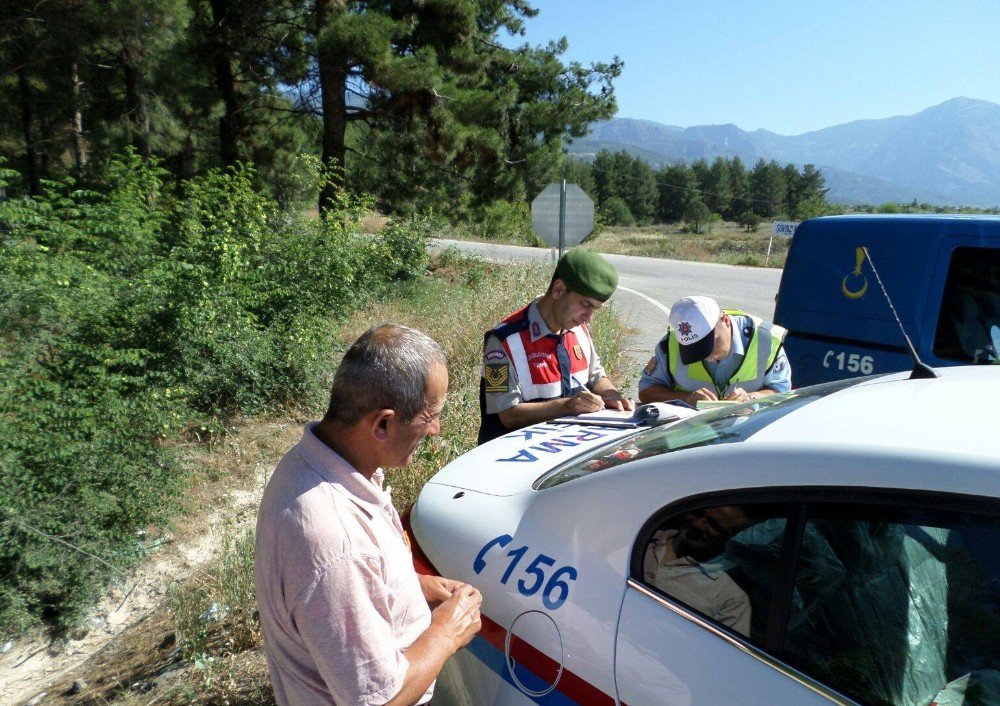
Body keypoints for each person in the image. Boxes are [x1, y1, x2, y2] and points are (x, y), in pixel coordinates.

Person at [254, 324, 481, 706]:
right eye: (430, 415)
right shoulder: (338, 540)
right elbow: (380, 700)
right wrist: (448, 631)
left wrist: (413, 587)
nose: (437, 430)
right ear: (382, 424)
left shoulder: (313, 463)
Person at [478, 249, 634, 445]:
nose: (589, 317)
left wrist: (611, 394)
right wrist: (567, 406)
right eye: (586, 305)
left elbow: (596, 376)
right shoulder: (501, 341)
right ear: (558, 289)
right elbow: (507, 414)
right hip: (511, 460)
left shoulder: (579, 330)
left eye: (595, 309)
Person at [638, 295, 791, 406]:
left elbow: (782, 394)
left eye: (711, 344)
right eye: (695, 350)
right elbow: (646, 391)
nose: (708, 358)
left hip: (747, 437)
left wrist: (752, 398)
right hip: (688, 437)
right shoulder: (670, 344)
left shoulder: (767, 341)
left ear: (725, 320)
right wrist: (686, 398)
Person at [643, 506, 753, 636]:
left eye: (714, 525)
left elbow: (721, 653)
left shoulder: (731, 600)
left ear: (732, 536)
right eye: (697, 513)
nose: (697, 524)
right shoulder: (638, 537)